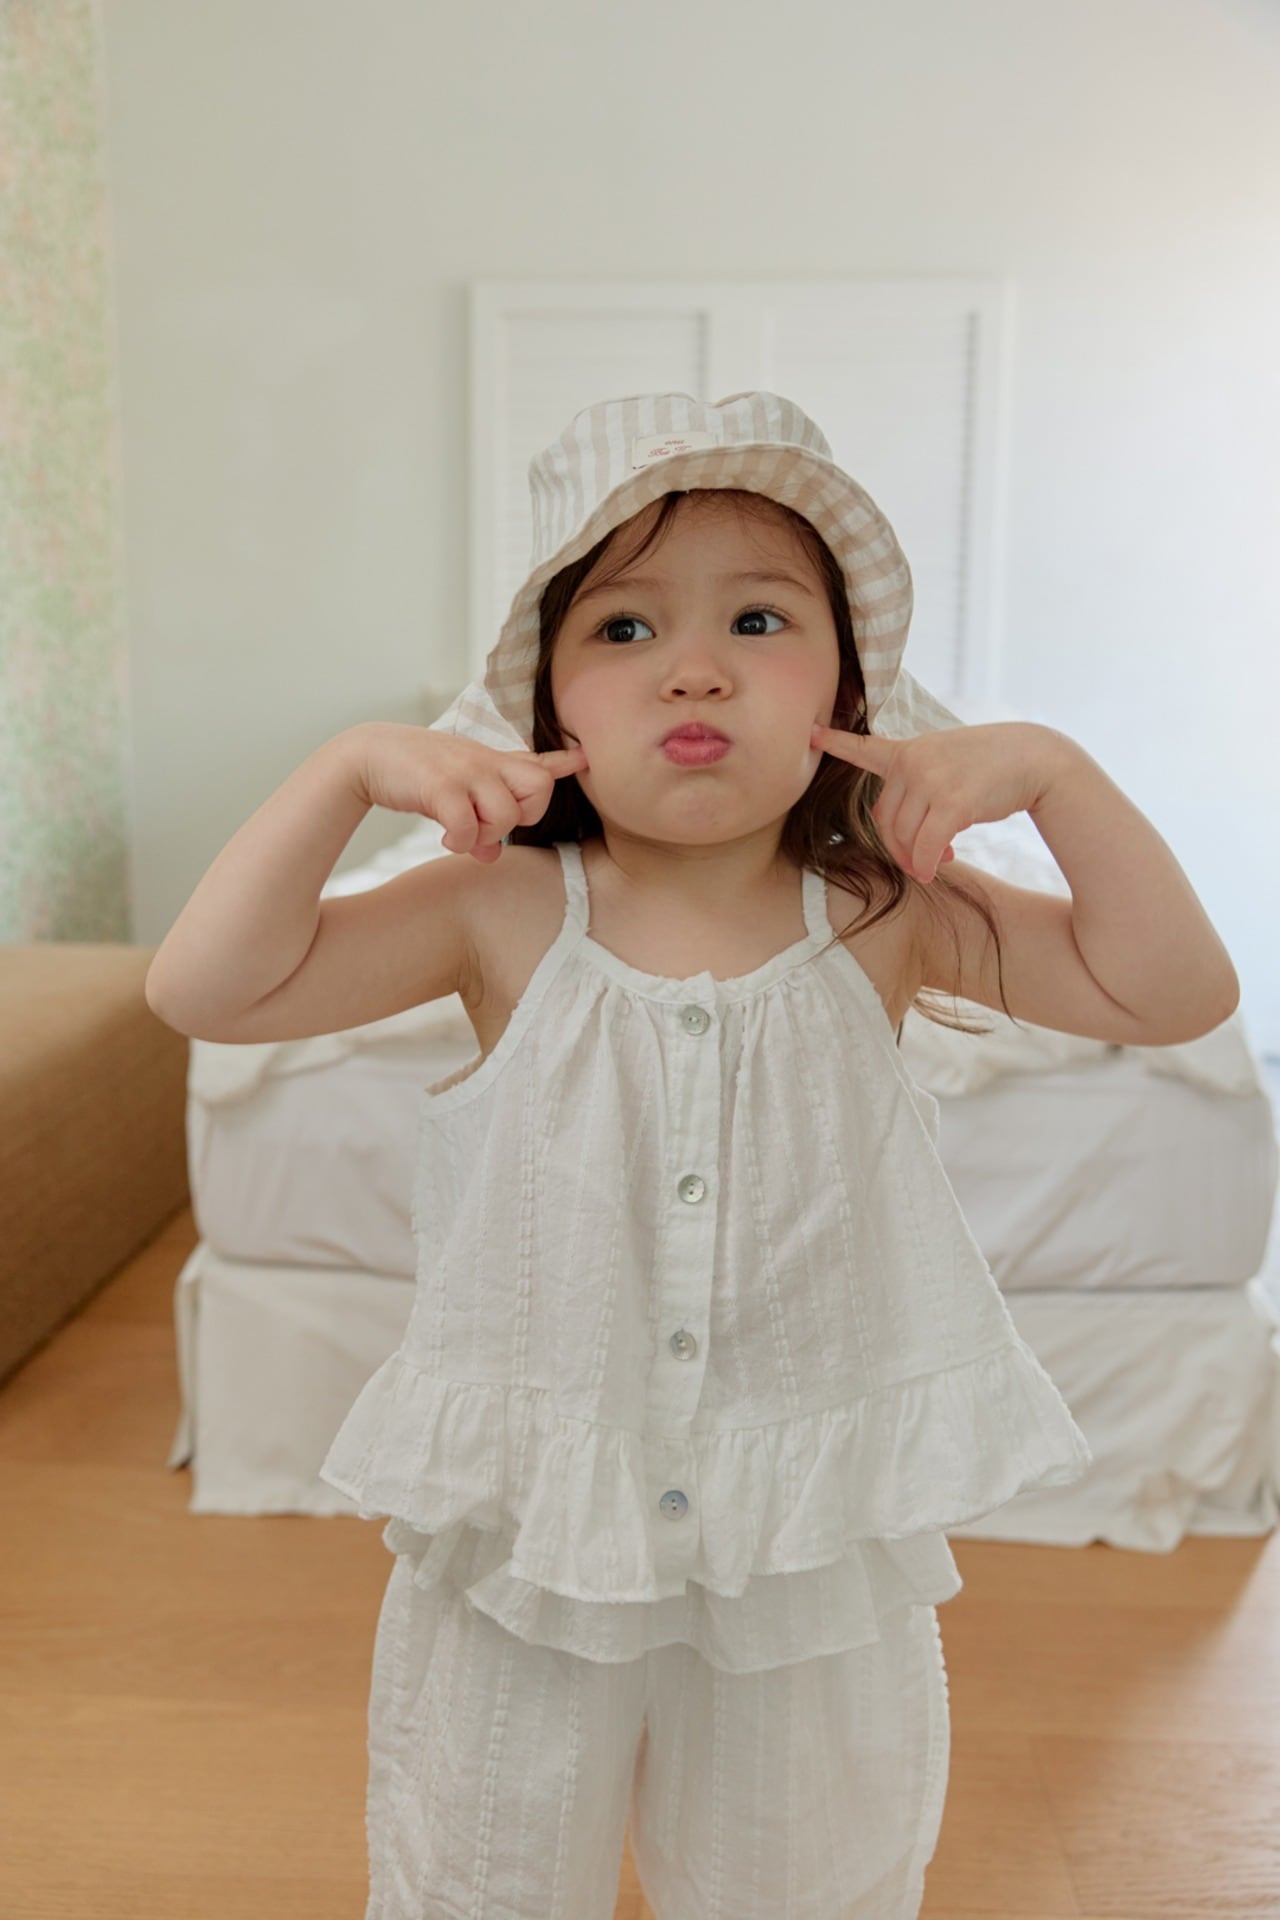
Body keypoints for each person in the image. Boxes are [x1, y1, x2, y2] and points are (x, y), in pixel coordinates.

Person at [145, 390, 1240, 1920]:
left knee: (806, 1881)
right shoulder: (495, 909)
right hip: (531, 1534)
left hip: (805, 1545)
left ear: (848, 687)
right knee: (481, 1877)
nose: (697, 667)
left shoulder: (888, 911)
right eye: (625, 629)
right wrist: (341, 778)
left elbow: (1173, 993)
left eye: (758, 620)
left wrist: (1056, 776)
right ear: (548, 707)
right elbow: (205, 990)